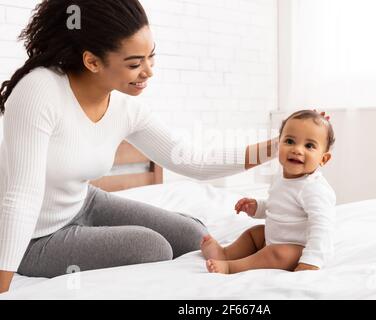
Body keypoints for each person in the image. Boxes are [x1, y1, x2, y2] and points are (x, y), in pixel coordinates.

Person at [0, 0, 278, 293]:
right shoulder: (39, 90)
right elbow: (21, 197)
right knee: (151, 247)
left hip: (82, 203)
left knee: (194, 235)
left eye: (151, 58)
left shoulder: (125, 109)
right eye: (134, 63)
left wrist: (274, 148)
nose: (148, 71)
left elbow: (193, 161)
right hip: (33, 236)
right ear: (92, 61)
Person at [201, 110, 336, 274]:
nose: (297, 149)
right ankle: (225, 254)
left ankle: (231, 267)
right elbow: (279, 207)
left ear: (323, 159)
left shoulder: (313, 188)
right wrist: (257, 207)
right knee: (255, 233)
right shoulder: (282, 178)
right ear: (278, 145)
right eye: (290, 141)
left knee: (275, 253)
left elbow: (322, 226)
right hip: (274, 240)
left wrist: (312, 261)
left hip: (298, 250)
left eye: (309, 145)